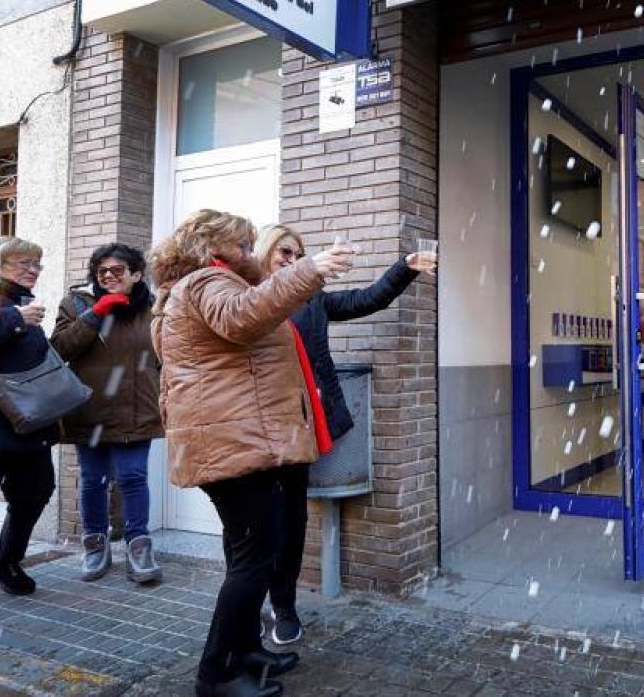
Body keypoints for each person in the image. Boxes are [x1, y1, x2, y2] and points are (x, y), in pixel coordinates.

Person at [150, 209, 354, 697]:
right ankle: (215, 674)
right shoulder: (206, 283)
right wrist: (310, 270)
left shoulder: (204, 286)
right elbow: (244, 319)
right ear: (212, 246)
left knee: (253, 554)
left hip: (237, 443)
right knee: (254, 560)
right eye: (242, 244)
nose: (249, 252)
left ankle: (245, 651)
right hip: (232, 447)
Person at [253, 225, 435, 645]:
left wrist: (403, 269)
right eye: (284, 252)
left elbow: (363, 300)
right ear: (264, 252)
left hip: (298, 426)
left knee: (292, 521)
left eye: (299, 254)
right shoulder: (247, 298)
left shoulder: (310, 299)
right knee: (255, 523)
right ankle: (246, 604)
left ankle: (284, 606)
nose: (292, 259)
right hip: (255, 428)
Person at [52, 243, 163, 584]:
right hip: (91, 409)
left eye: (118, 271)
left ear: (136, 274)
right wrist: (96, 312)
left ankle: (138, 546)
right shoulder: (77, 304)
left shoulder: (153, 307)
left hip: (137, 407)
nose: (109, 277)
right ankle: (96, 545)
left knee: (132, 478)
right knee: (93, 481)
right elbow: (59, 349)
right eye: (103, 272)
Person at [0, 237, 58, 626]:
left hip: (26, 425)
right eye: (23, 262)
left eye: (37, 264)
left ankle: (4, 561)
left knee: (36, 491)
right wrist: (14, 320)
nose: (32, 269)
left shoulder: (17, 300)